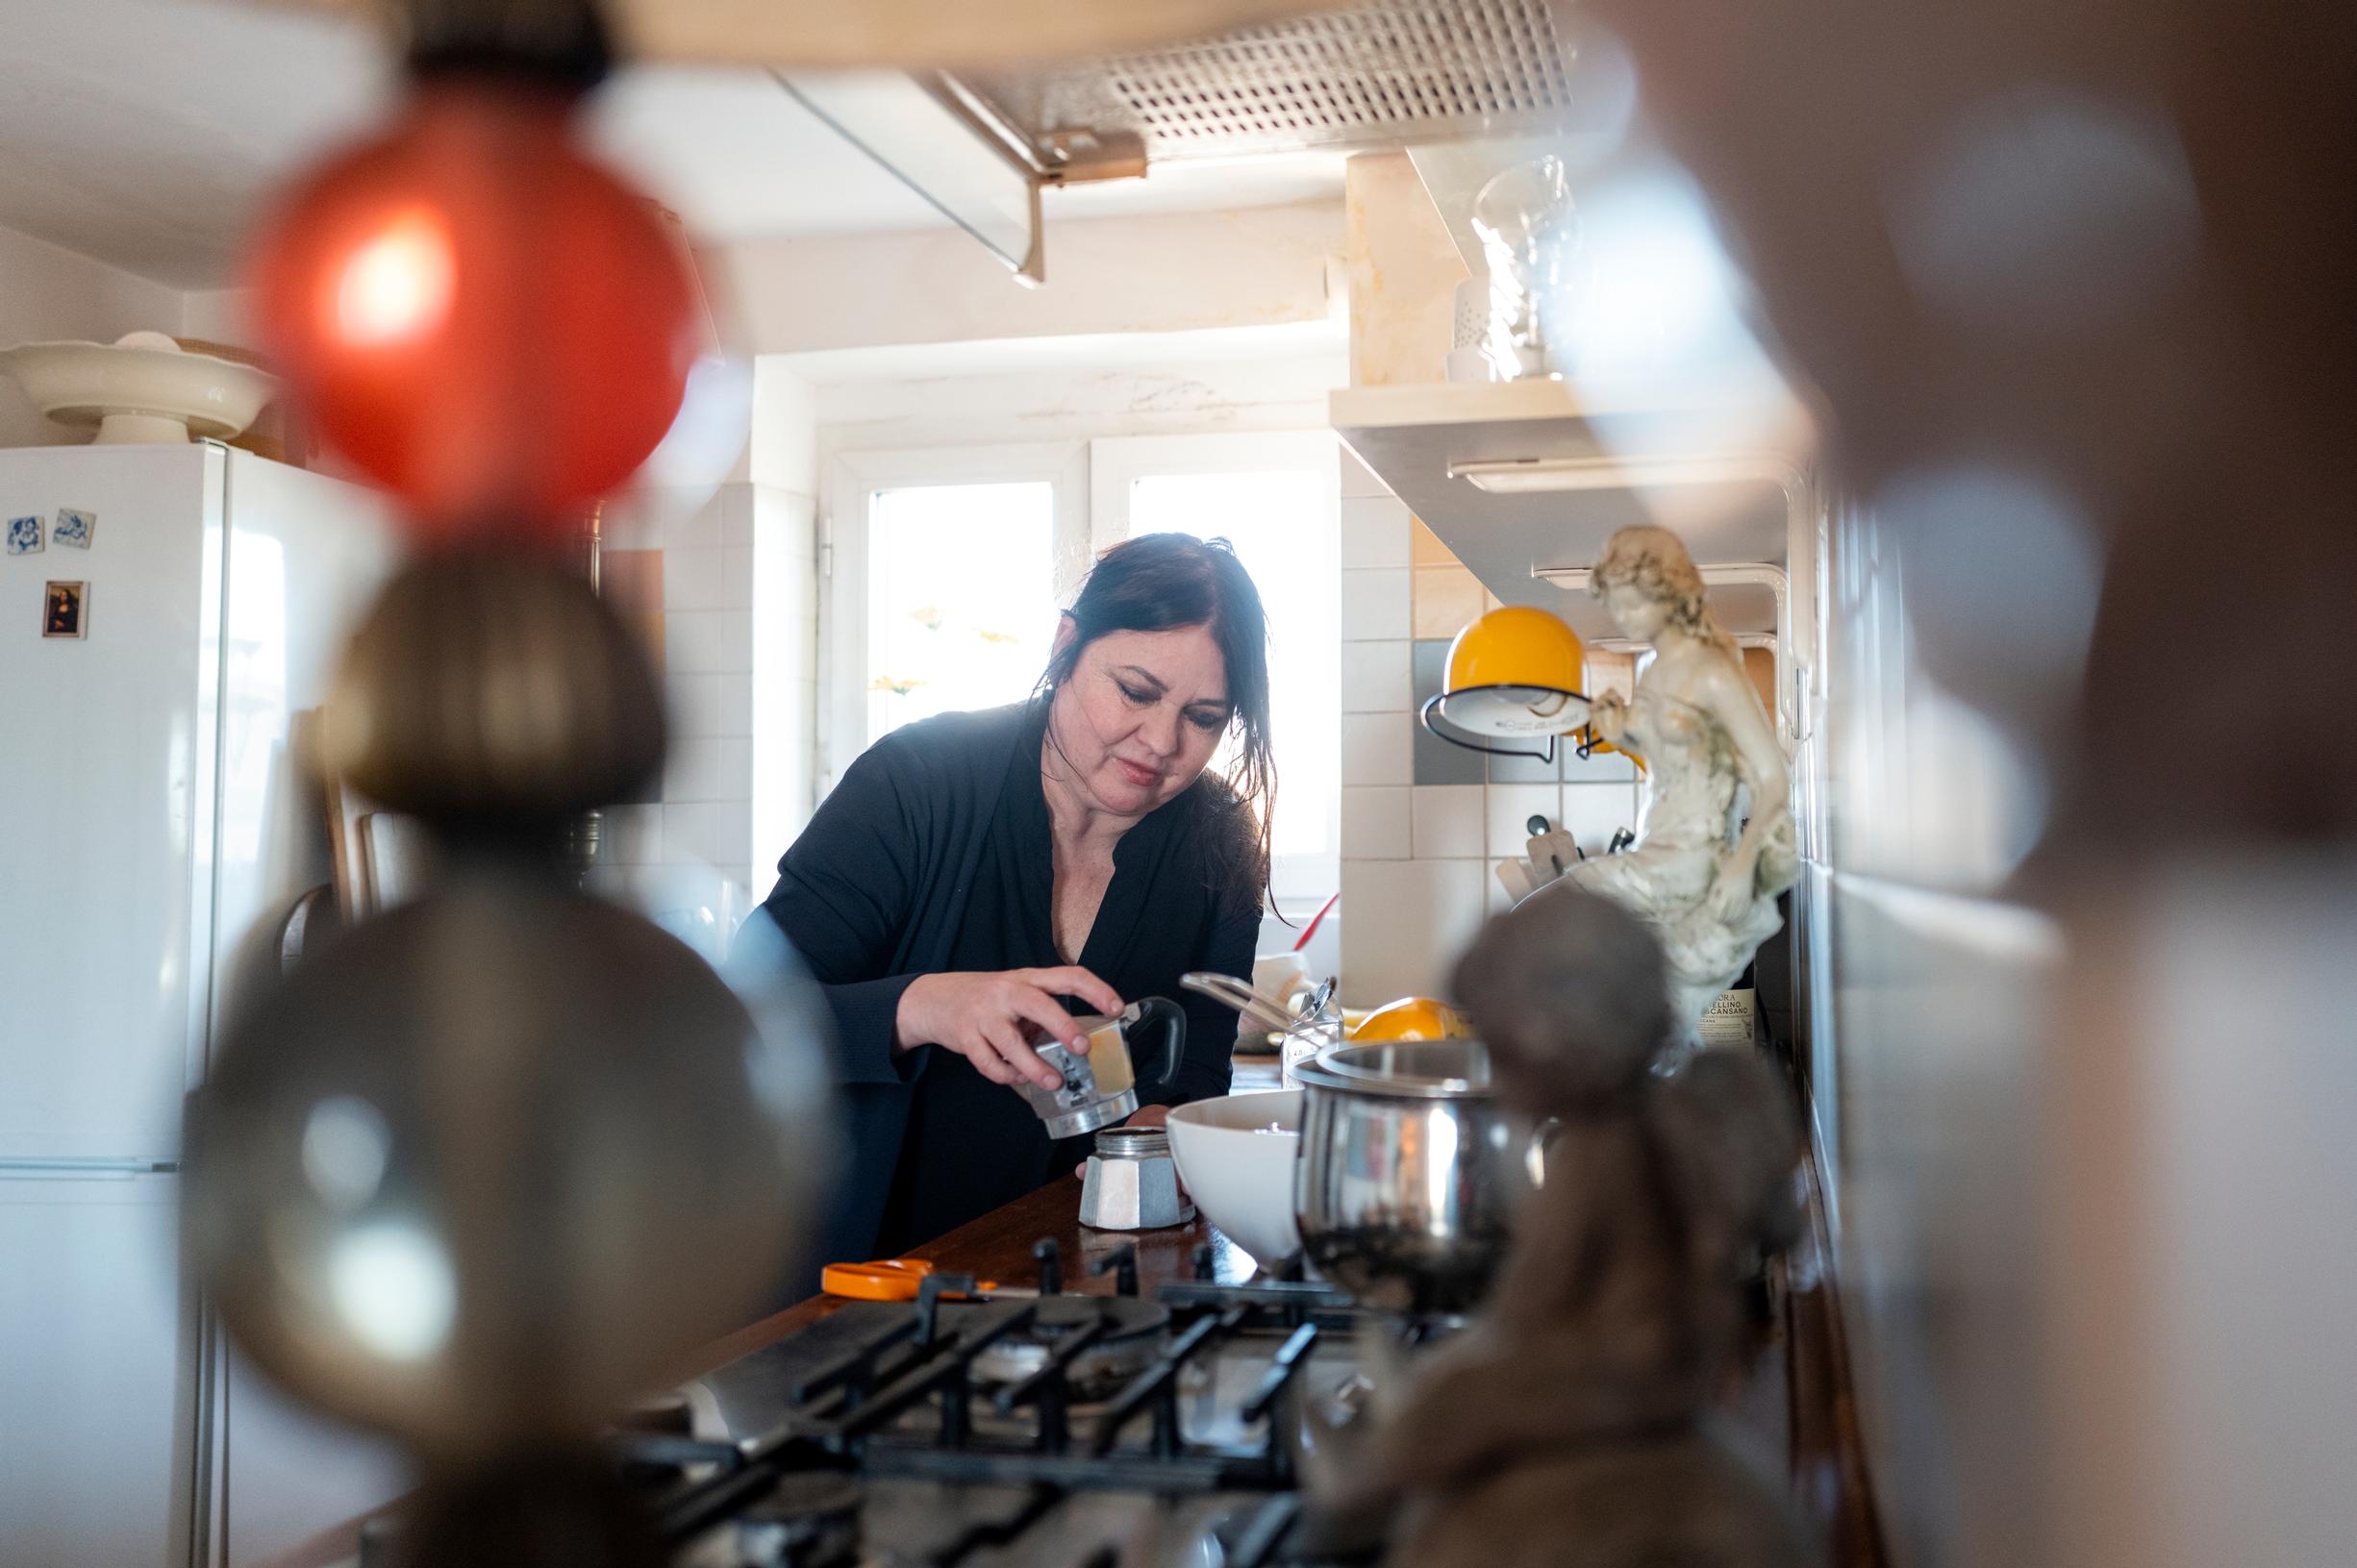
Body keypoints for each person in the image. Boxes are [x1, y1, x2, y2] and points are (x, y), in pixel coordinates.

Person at [758, 533, 1273, 1273]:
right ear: (1067, 644)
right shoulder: (916, 782)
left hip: (1073, 1274)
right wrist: (921, 1006)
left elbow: (1198, 1064)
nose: (1160, 741)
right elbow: (735, 1017)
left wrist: (1172, 1122)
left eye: (1202, 717)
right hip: (854, 1274)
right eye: (1135, 690)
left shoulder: (1219, 842)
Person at [1551, 525, 1797, 1038]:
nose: (1622, 617)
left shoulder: (1711, 671)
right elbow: (1671, 759)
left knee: (1556, 909)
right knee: (1653, 1009)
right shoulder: (1649, 667)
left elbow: (1774, 776)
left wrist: (1740, 866)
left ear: (1670, 594)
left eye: (1633, 605)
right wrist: (1624, 735)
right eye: (1616, 605)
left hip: (1693, 856)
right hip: (1655, 843)